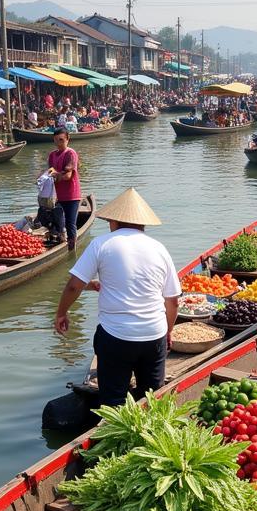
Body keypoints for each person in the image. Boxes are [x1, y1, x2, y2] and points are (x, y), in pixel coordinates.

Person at [54, 189, 180, 406]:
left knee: (113, 401)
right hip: (154, 336)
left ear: (114, 221)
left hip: (116, 337)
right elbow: (173, 301)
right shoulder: (159, 249)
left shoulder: (102, 244)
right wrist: (167, 332)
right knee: (151, 398)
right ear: (142, 224)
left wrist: (61, 314)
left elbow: (74, 286)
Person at [48, 128, 82, 250]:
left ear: (68, 139)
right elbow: (50, 172)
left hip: (72, 195)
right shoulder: (52, 155)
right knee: (55, 221)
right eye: (56, 140)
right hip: (58, 195)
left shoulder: (70, 153)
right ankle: (60, 243)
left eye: (61, 140)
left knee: (70, 223)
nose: (59, 143)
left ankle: (72, 249)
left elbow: (67, 176)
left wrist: (55, 175)